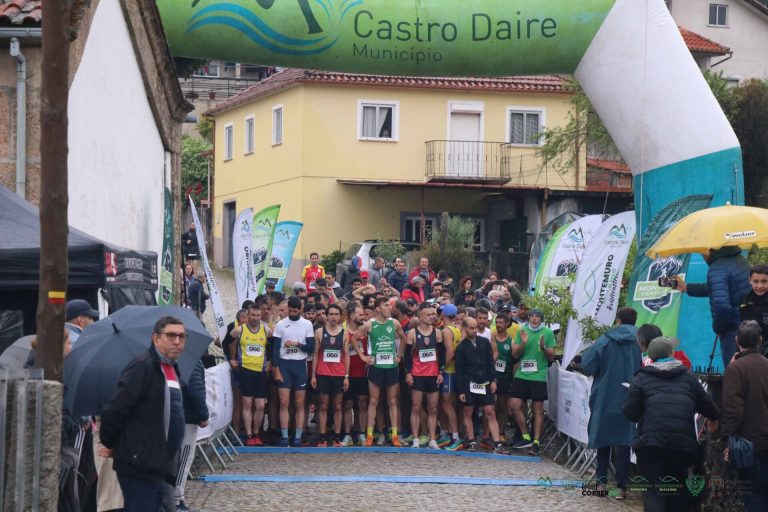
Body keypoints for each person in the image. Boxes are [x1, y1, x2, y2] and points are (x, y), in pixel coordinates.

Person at [99, 316, 188, 512]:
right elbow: (116, 409)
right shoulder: (144, 366)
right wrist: (114, 444)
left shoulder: (171, 367)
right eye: (171, 335)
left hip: (160, 463)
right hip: (140, 463)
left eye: (182, 337)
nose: (177, 341)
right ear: (155, 338)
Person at [623, 336, 719, 512]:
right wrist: (714, 417)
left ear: (651, 357)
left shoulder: (641, 378)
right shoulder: (688, 377)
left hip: (650, 443)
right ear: (670, 354)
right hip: (681, 444)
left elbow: (630, 412)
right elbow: (707, 404)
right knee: (677, 491)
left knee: (654, 490)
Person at [581, 307, 641, 498]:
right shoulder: (642, 340)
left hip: (606, 394)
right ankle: (622, 487)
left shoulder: (605, 339)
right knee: (625, 439)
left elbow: (588, 365)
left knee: (603, 437)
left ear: (618, 320)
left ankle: (601, 483)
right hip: (632, 394)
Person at [671, 246, 751, 368]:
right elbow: (717, 287)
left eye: (701, 253)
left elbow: (722, 306)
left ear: (708, 250)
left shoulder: (717, 268)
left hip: (733, 331)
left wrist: (719, 329)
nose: (702, 257)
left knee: (735, 373)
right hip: (749, 325)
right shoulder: (739, 259)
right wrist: (686, 287)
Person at [720, 320, 768, 511]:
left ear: (736, 340)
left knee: (753, 498)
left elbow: (733, 410)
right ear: (760, 340)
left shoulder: (735, 369)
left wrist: (726, 440)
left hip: (748, 446)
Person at [355, 297, 406, 447]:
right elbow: (354, 338)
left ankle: (394, 435)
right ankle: (370, 435)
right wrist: (363, 356)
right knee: (373, 401)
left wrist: (399, 356)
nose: (389, 308)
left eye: (390, 306)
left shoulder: (394, 323)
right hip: (376, 367)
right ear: (378, 308)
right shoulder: (370, 324)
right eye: (386, 305)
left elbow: (403, 338)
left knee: (392, 401)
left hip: (391, 366)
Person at [454, 316, 509, 454]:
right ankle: (471, 441)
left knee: (490, 411)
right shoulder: (461, 347)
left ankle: (497, 443)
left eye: (475, 328)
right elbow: (459, 371)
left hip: (484, 381)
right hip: (469, 382)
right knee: (468, 412)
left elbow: (490, 362)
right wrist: (461, 391)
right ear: (464, 328)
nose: (474, 331)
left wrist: (493, 380)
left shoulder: (484, 342)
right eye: (471, 328)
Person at [509, 308, 555, 455]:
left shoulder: (548, 332)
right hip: (522, 374)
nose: (534, 319)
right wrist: (523, 343)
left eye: (537, 316)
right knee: (514, 404)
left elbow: (552, 357)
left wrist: (544, 348)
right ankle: (526, 435)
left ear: (541, 319)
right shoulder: (522, 331)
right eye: (532, 316)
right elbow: (515, 355)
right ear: (528, 318)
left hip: (538, 376)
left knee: (537, 409)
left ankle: (536, 442)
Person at [272, 296, 316, 446]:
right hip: (284, 364)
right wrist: (276, 369)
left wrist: (297, 344)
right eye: (290, 311)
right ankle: (285, 436)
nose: (292, 313)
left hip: (300, 365)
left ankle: (298, 436)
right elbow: (275, 348)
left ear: (300, 310)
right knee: (284, 402)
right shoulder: (280, 324)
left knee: (299, 403)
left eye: (295, 311)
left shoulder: (307, 324)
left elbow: (311, 347)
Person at [403, 303, 445, 449]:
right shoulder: (412, 334)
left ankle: (432, 439)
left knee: (433, 408)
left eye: (433, 314)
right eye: (428, 315)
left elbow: (442, 354)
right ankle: (416, 438)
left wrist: (441, 372)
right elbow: (407, 356)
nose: (432, 317)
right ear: (420, 317)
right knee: (416, 407)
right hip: (417, 374)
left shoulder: (438, 333)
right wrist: (408, 373)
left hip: (433, 374)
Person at [231, 304, 273, 445]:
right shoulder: (240, 330)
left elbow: (273, 344)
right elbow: (225, 342)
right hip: (245, 370)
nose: (255, 318)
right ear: (248, 315)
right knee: (247, 404)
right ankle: (249, 435)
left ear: (261, 316)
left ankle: (256, 433)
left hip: (260, 372)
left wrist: (271, 360)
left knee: (260, 405)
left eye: (258, 315)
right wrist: (231, 359)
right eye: (253, 315)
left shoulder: (266, 330)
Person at [311, 304, 350, 447]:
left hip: (338, 374)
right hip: (323, 373)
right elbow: (316, 354)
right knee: (323, 406)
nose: (333, 317)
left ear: (340, 316)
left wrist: (346, 376)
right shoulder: (319, 332)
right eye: (331, 314)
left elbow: (347, 356)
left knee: (338, 406)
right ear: (326, 316)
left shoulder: (344, 333)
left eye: (336, 314)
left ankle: (337, 437)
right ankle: (322, 437)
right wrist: (313, 375)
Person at [174, 360, 209, 512]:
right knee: (184, 458)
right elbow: (195, 390)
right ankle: (176, 499)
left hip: (173, 415)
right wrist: (203, 415)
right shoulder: (192, 360)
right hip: (186, 417)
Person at [341, 304, 369, 446]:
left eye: (363, 314)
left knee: (362, 404)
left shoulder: (366, 330)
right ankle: (347, 435)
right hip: (348, 373)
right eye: (360, 314)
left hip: (363, 373)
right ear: (352, 316)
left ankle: (361, 433)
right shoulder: (343, 331)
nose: (363, 317)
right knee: (347, 404)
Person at [438, 304, 463, 451]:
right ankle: (446, 434)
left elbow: (450, 352)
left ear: (443, 314)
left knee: (447, 405)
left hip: (448, 371)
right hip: (454, 371)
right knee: (445, 404)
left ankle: (455, 438)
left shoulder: (447, 331)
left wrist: (441, 369)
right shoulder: (456, 328)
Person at [491, 312, 519, 443]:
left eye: (501, 323)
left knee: (502, 406)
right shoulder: (491, 338)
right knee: (490, 405)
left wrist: (513, 378)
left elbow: (515, 360)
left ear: (507, 324)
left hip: (505, 376)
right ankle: (489, 432)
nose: (498, 325)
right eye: (497, 322)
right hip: (491, 375)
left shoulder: (511, 341)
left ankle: (501, 432)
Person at [739, 264, 768, 357]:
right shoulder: (745, 299)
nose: (759, 286)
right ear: (749, 280)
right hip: (749, 351)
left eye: (764, 281)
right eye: (755, 281)